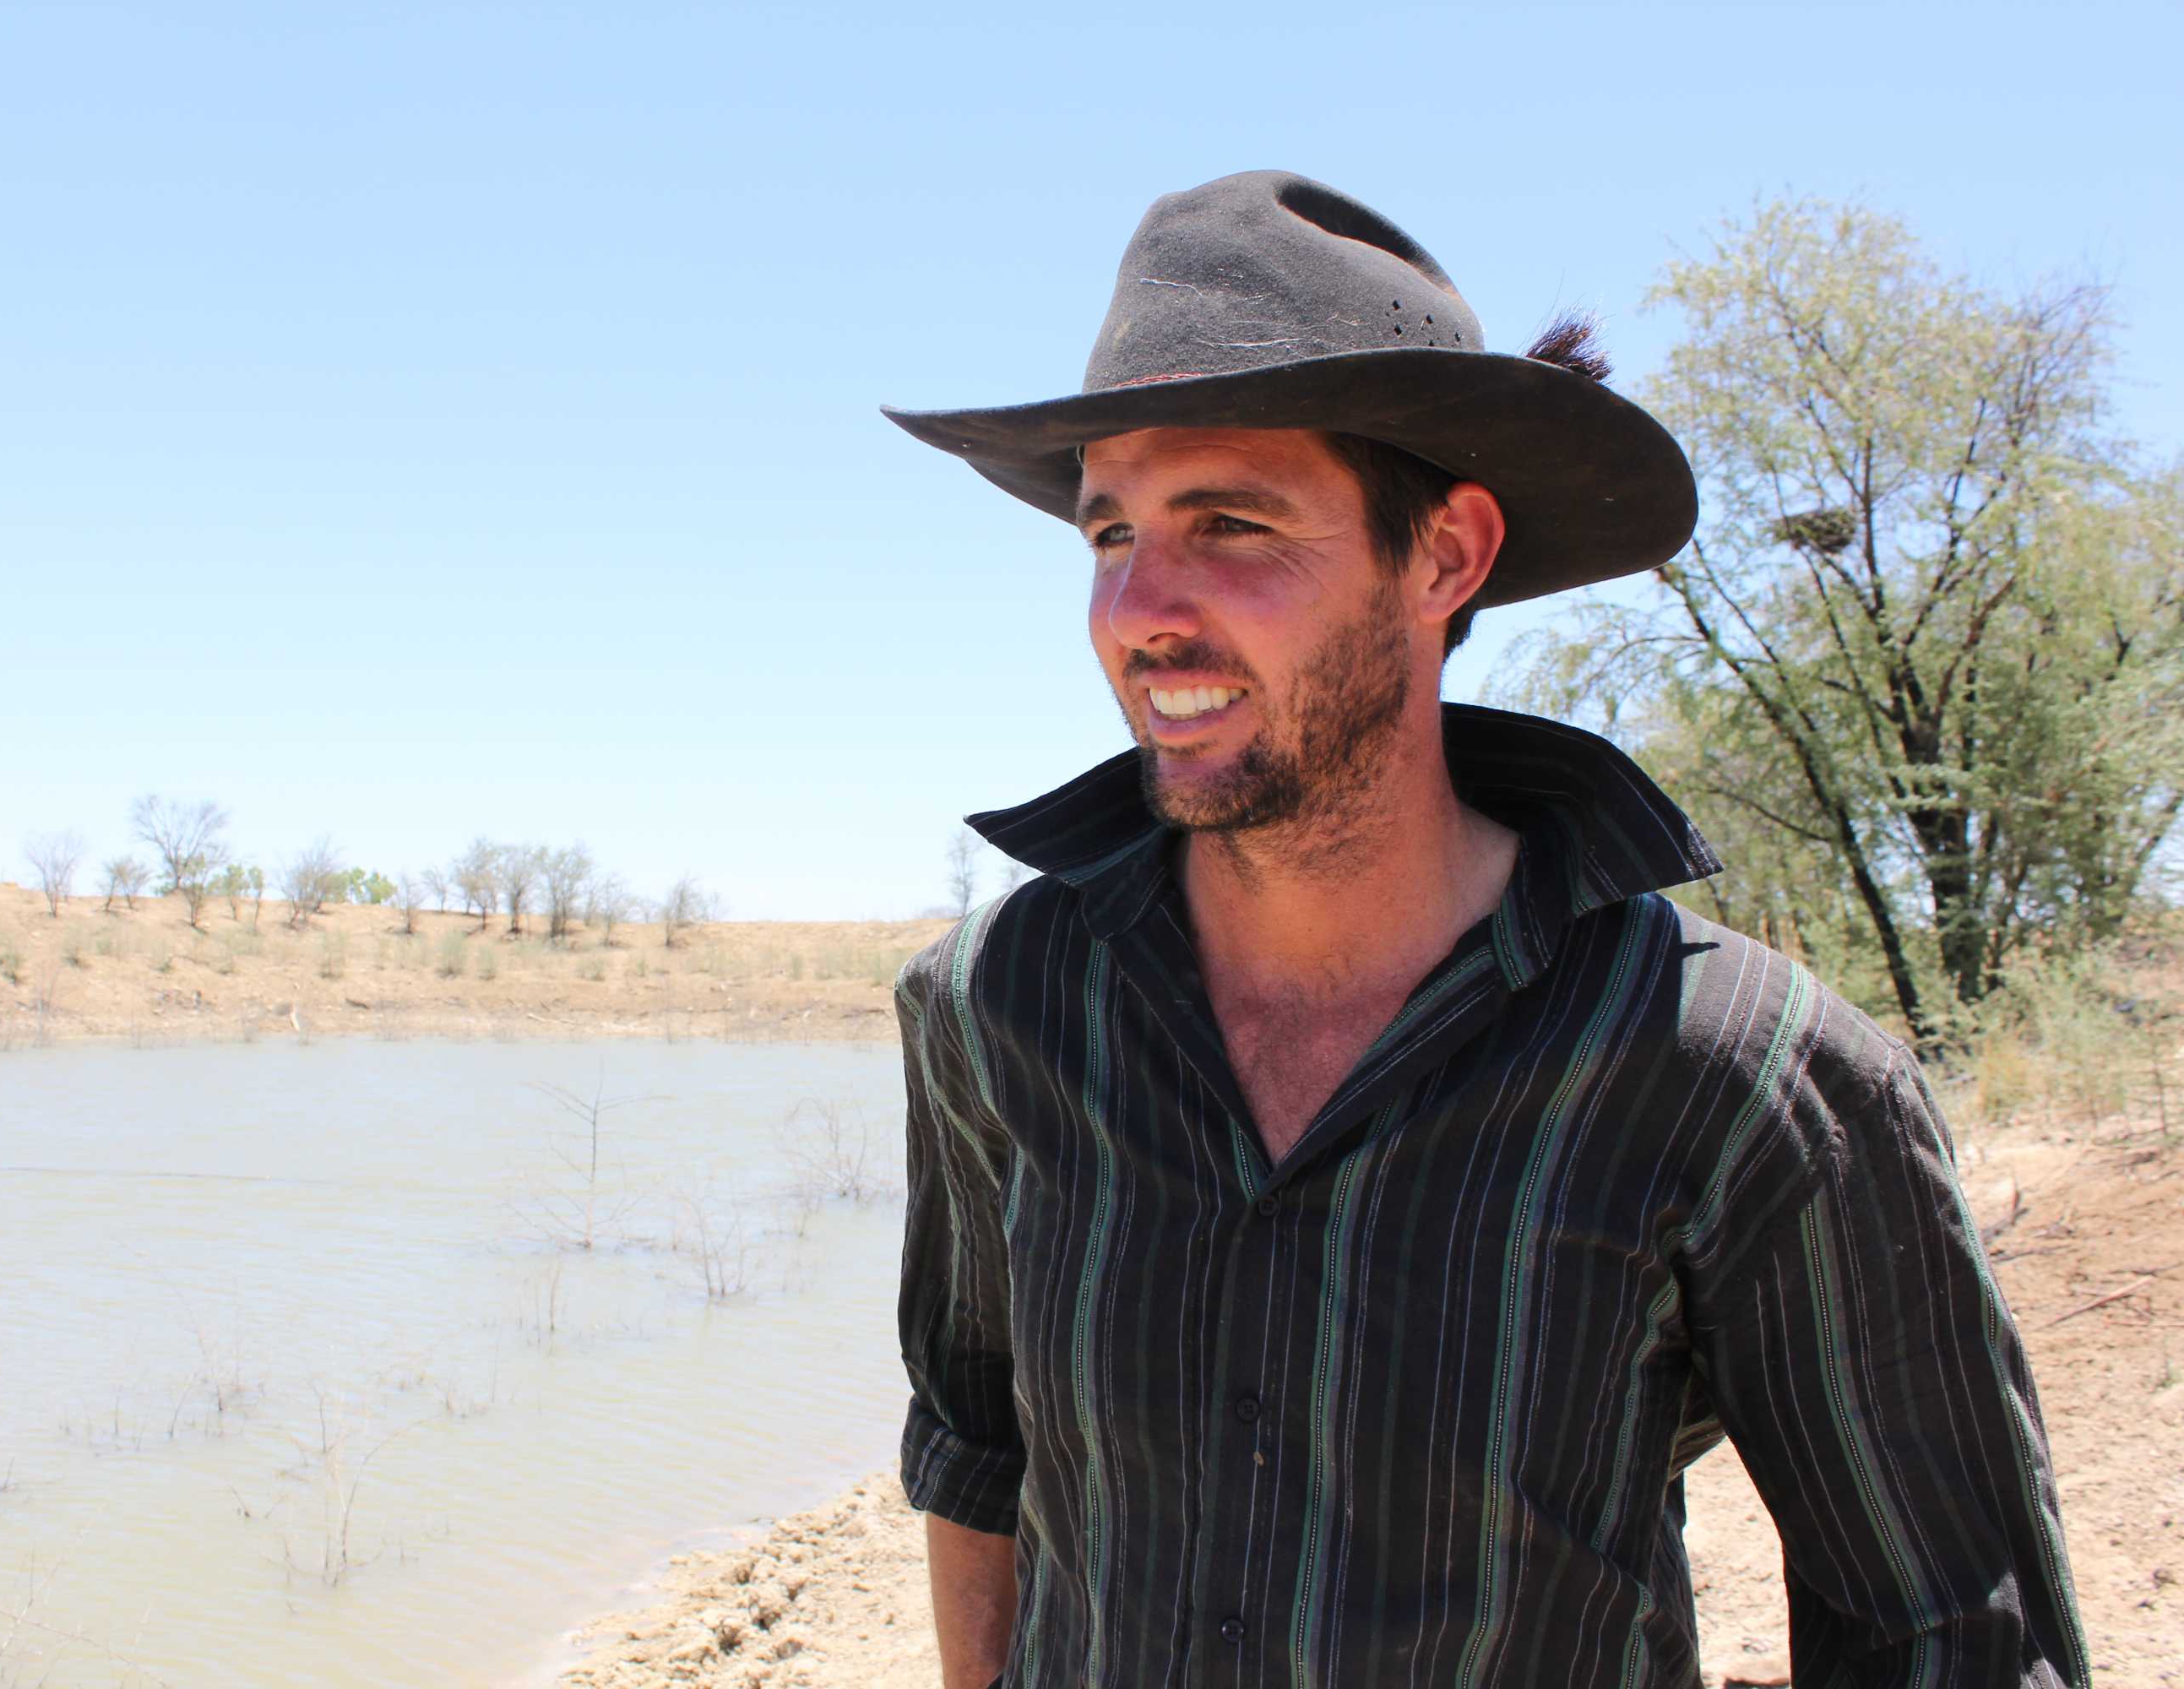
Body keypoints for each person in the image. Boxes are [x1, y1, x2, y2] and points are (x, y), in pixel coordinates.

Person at [881, 171, 2087, 1689]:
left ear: (1445, 556)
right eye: (1109, 532)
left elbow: (1950, 1633)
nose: (1137, 607)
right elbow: (977, 1445)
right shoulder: (996, 1004)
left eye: (1230, 522)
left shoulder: (1742, 1076)